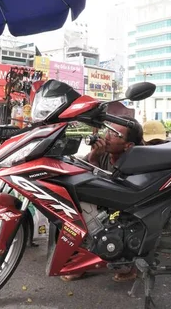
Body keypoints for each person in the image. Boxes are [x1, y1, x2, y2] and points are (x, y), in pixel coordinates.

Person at [61, 115, 144, 282]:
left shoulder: (137, 161)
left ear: (129, 146)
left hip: (128, 210)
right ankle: (82, 257)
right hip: (106, 207)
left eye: (115, 134)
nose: (107, 136)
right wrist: (93, 157)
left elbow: (107, 193)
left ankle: (128, 264)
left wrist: (94, 160)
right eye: (108, 130)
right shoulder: (104, 154)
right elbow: (80, 177)